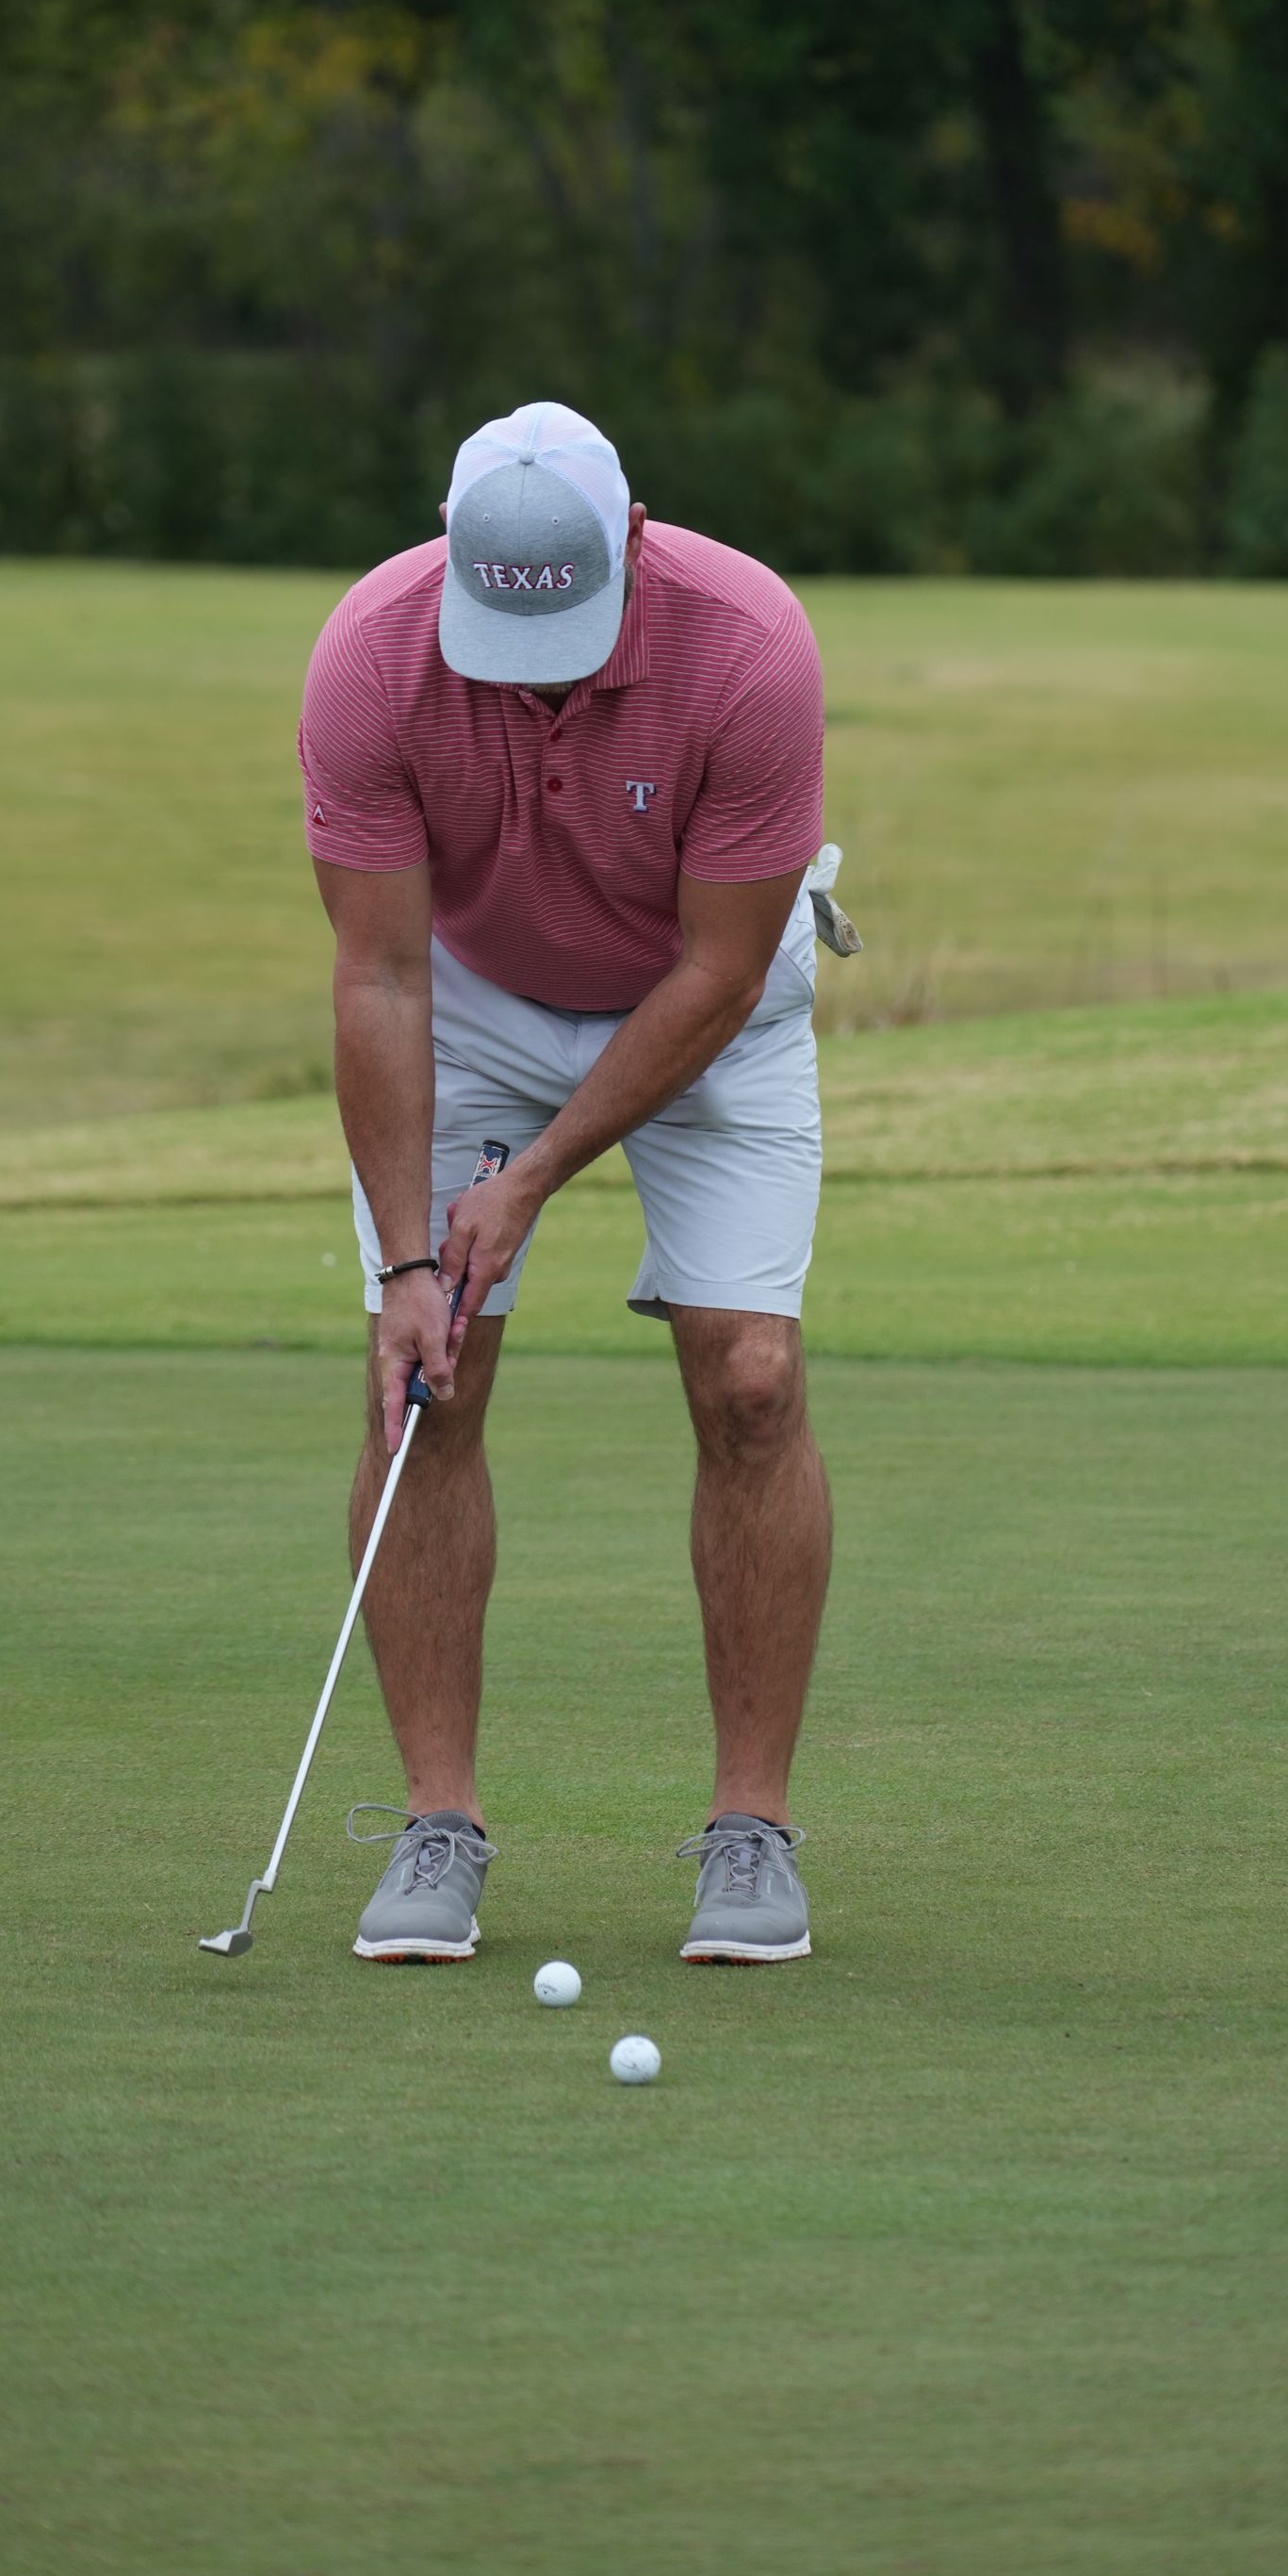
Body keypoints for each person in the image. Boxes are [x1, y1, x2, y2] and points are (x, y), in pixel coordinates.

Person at [298, 399, 837, 1967]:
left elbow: (724, 975)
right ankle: (435, 1824)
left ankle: (749, 1834)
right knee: (427, 1391)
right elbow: (380, 976)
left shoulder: (748, 646)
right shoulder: (371, 658)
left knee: (751, 1379)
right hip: (462, 1003)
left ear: (636, 542)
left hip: (701, 1002)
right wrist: (410, 1266)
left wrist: (533, 1176)